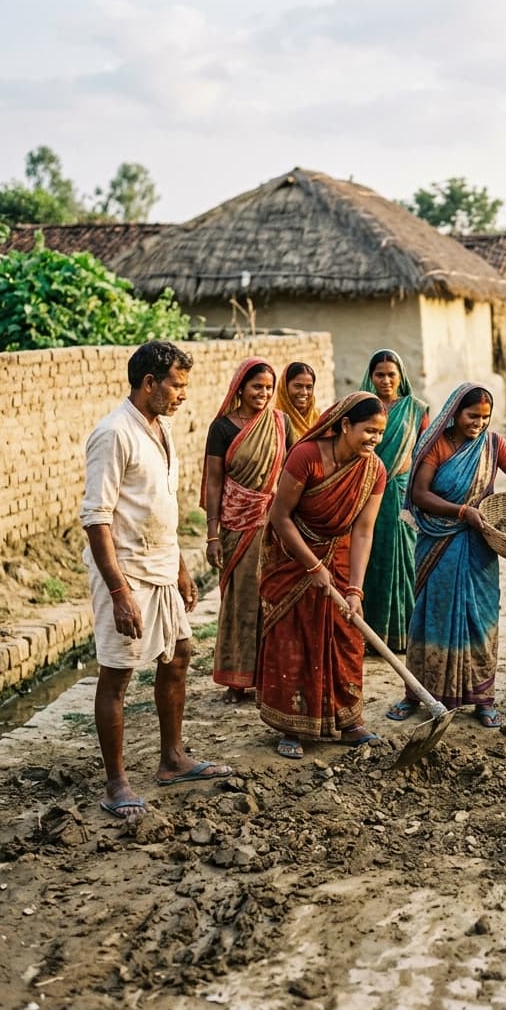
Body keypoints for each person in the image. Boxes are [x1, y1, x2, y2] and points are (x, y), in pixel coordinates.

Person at [81, 341, 233, 821]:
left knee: (180, 654)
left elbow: (160, 507)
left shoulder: (161, 427)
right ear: (149, 383)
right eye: (178, 385)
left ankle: (172, 759)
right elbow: (96, 519)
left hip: (163, 566)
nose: (183, 395)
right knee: (118, 673)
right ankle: (117, 783)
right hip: (126, 571)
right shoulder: (112, 434)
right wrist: (119, 592)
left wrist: (182, 568)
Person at [385, 383, 506, 727]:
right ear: (455, 413)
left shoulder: (492, 445)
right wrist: (461, 512)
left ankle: (482, 698)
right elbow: (419, 494)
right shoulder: (437, 446)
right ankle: (415, 693)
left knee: (480, 619)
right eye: (471, 415)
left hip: (479, 546)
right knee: (432, 616)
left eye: (484, 417)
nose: (478, 422)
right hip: (439, 541)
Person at [256, 392, 387, 759]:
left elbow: (363, 531)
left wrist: (356, 589)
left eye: (380, 433)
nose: (375, 439)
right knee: (294, 637)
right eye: (368, 430)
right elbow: (280, 517)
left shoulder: (374, 470)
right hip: (293, 555)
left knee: (346, 633)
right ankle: (291, 725)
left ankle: (348, 720)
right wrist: (312, 566)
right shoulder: (307, 456)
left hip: (342, 555)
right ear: (345, 425)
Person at [202, 359, 287, 703]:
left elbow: (289, 473)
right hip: (237, 524)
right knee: (241, 600)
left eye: (268, 388)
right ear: (240, 388)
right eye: (256, 387)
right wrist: (211, 535)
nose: (263, 394)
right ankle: (237, 679)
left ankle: (267, 676)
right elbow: (214, 482)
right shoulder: (221, 428)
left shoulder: (278, 424)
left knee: (272, 597)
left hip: (273, 524)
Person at [359, 350, 429, 651]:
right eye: (379, 375)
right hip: (365, 494)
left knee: (405, 561)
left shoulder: (416, 410)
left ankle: (403, 633)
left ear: (401, 376)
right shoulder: (362, 409)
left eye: (391, 374)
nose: (386, 380)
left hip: (401, 494)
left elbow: (424, 455)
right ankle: (370, 636)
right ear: (371, 377)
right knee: (370, 560)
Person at [275, 361, 320, 444]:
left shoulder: (319, 420)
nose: (304, 392)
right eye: (298, 386)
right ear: (284, 388)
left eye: (309, 387)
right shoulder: (275, 422)